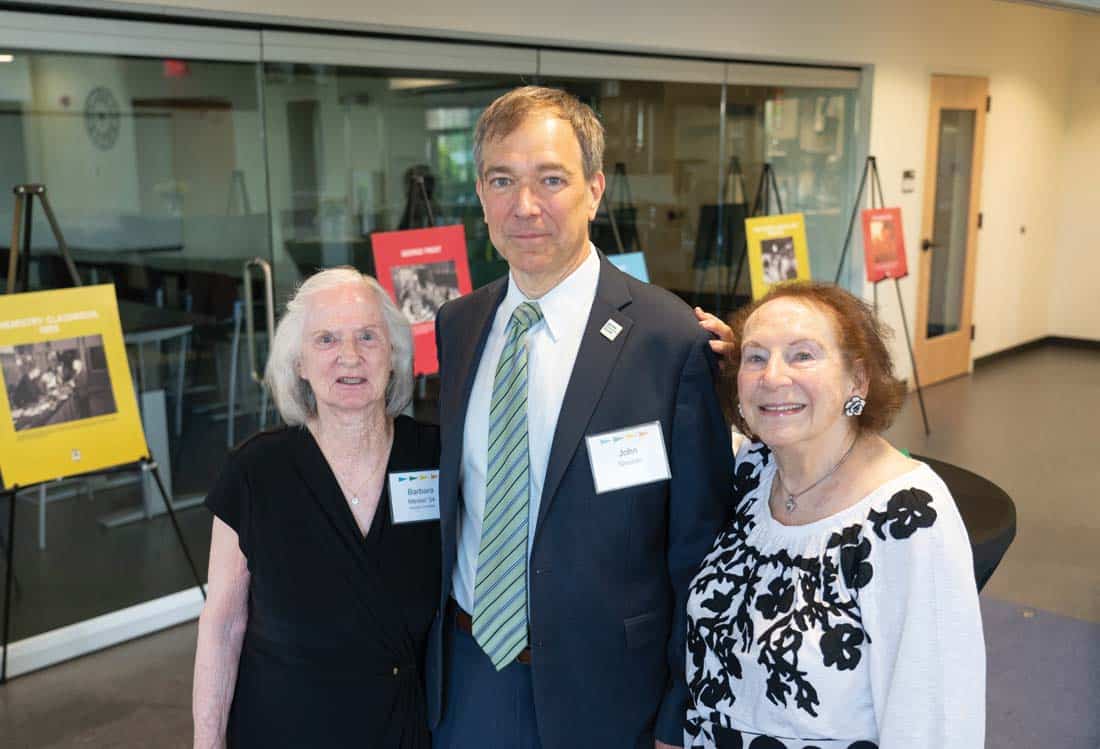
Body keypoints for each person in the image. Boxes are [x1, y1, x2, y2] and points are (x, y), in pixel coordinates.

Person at [428, 86, 733, 748]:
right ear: (480, 195)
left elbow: (701, 547)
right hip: (470, 672)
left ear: (595, 190)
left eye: (552, 179)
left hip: (612, 691)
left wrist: (679, 711)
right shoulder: (458, 325)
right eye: (502, 180)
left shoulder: (669, 338)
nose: (525, 205)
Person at [687, 282, 985, 748]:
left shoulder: (907, 516)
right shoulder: (754, 469)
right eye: (757, 358)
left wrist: (763, 351)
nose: (773, 378)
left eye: (803, 355)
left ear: (857, 380)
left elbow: (933, 723)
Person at [192, 268, 440, 749]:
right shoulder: (255, 472)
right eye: (326, 339)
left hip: (404, 728)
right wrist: (207, 740)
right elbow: (222, 623)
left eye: (368, 336)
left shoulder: (435, 456)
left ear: (393, 354)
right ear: (300, 362)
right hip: (284, 727)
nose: (350, 356)